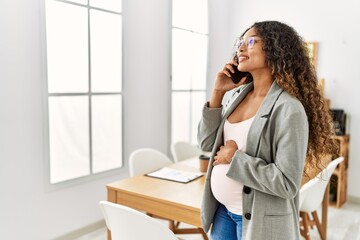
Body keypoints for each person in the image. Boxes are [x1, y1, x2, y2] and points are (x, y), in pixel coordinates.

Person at [197, 20, 338, 240]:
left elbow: (287, 184)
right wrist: (217, 93)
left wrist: (235, 159)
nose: (241, 48)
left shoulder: (289, 109)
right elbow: (206, 145)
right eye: (240, 43)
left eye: (251, 41)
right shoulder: (236, 96)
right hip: (222, 213)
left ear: (275, 49)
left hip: (260, 223)